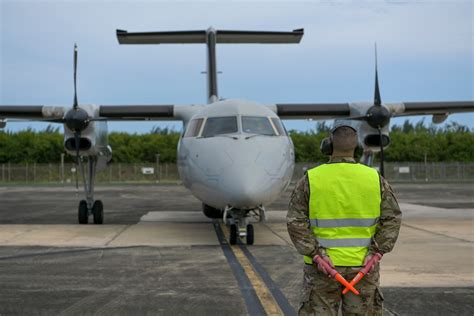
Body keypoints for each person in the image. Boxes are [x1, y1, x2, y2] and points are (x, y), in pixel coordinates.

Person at [287, 125, 401, 315]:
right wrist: (377, 252)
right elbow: (392, 218)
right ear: (357, 148)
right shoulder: (374, 178)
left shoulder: (311, 179)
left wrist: (316, 254)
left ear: (328, 146)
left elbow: (295, 221)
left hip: (321, 268)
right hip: (364, 267)